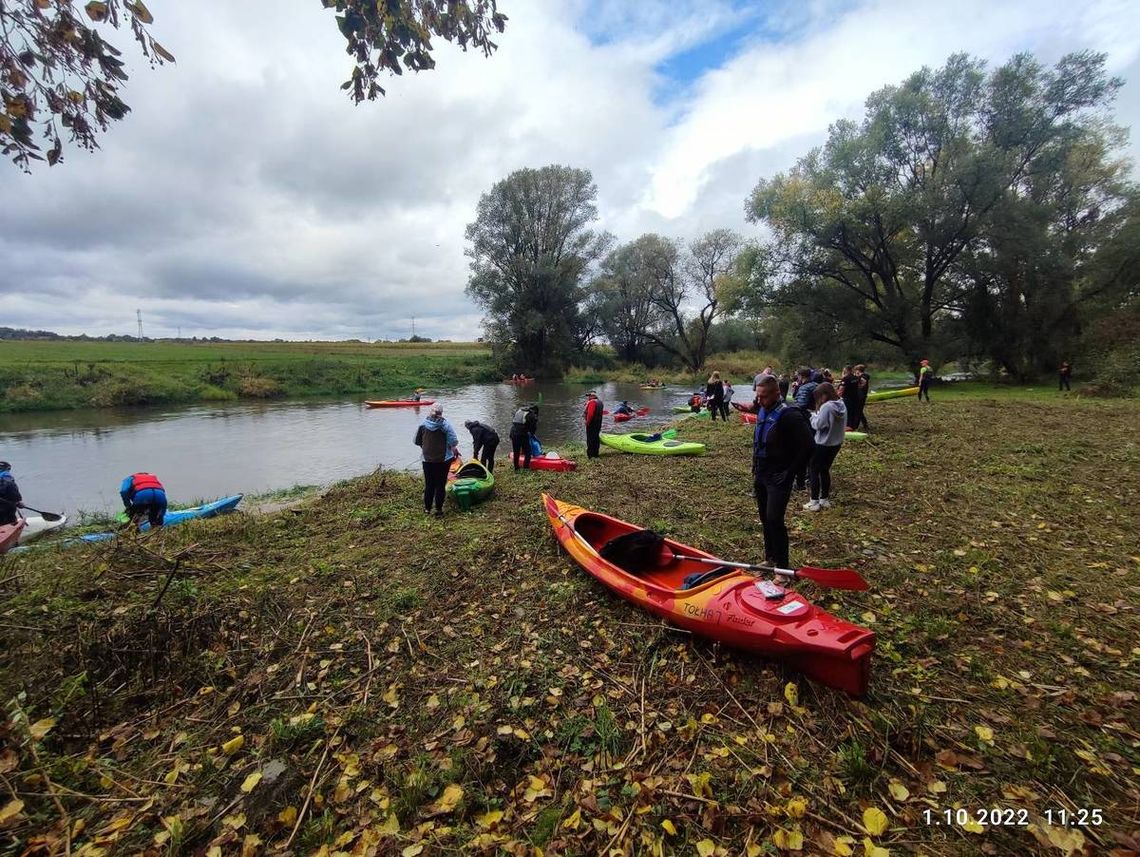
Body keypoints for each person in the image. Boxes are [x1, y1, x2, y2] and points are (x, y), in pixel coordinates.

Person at [751, 376, 813, 569]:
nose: (760, 401)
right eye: (758, 396)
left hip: (779, 477)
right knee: (764, 519)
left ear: (777, 394)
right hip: (761, 474)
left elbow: (809, 445)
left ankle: (783, 568)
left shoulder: (789, 415)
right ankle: (770, 558)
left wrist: (791, 472)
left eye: (764, 396)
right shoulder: (762, 408)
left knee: (774, 520)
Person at [805, 383, 846, 512]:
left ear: (825, 394)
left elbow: (819, 425)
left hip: (822, 443)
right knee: (824, 470)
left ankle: (814, 502)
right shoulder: (842, 404)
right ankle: (824, 499)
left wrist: (812, 416)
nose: (819, 400)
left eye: (819, 396)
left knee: (813, 470)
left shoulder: (827, 407)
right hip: (836, 443)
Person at [414, 404, 461, 516]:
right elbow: (454, 441)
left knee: (429, 484)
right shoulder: (445, 425)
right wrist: (451, 446)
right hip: (443, 460)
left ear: (431, 412)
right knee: (440, 484)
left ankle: (427, 509)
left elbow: (417, 441)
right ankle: (438, 510)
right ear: (441, 413)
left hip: (427, 460)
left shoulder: (422, 424)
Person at [0, 461, 23, 526]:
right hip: (5, 509)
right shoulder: (7, 479)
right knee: (9, 521)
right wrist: (18, 502)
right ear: (7, 469)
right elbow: (14, 494)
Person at [584, 391, 604, 458]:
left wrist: (587, 423)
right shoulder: (600, 402)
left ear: (592, 396)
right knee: (596, 438)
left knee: (590, 439)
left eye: (589, 396)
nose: (588, 398)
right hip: (598, 423)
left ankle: (591, 455)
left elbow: (590, 414)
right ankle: (596, 454)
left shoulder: (592, 402)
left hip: (592, 424)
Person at [839, 366, 860, 430]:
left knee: (847, 412)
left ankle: (848, 427)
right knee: (853, 412)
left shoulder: (846, 378)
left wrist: (838, 396)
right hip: (855, 397)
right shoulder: (856, 378)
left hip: (847, 397)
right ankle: (853, 426)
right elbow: (860, 385)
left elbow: (841, 389)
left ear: (846, 370)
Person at [854, 364, 871, 431]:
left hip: (860, 396)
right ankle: (864, 424)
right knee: (859, 411)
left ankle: (857, 425)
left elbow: (861, 385)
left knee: (858, 411)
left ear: (858, 370)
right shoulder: (864, 376)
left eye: (856, 370)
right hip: (862, 396)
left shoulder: (863, 377)